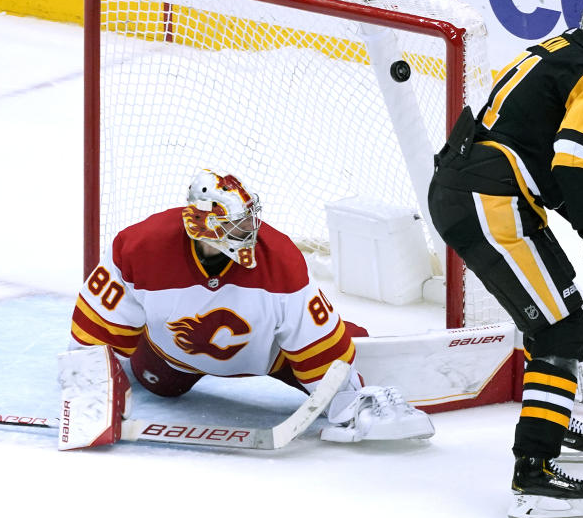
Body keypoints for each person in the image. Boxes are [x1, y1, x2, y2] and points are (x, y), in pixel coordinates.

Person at [427, 0, 583, 518]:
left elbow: (543, 162)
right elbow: (573, 166)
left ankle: (553, 417)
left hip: (474, 187)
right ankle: (535, 475)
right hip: (490, 199)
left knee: (556, 312)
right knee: (562, 329)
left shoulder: (553, 49)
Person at [66, 167, 434, 445]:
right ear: (202, 226)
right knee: (152, 383)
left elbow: (316, 349)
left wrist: (345, 395)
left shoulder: (281, 261)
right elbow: (97, 327)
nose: (248, 231)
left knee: (332, 355)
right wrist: (91, 392)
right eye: (234, 224)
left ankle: (355, 343)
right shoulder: (140, 248)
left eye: (246, 220)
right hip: (170, 357)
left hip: (275, 358)